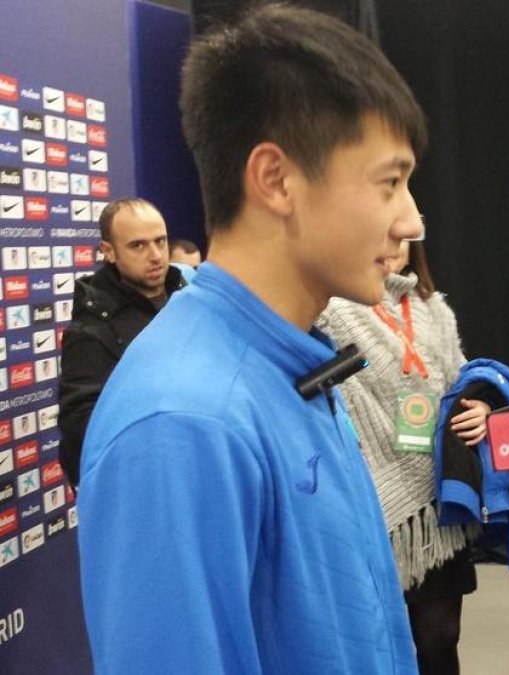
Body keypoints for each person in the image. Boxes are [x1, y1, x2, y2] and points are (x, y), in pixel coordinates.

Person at [77, 6, 427, 672]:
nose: (411, 220)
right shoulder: (182, 420)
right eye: (390, 182)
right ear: (275, 179)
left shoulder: (293, 363)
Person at [316, 238, 487, 675]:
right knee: (376, 640)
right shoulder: (333, 309)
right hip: (372, 497)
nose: (389, 246)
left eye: (399, 238)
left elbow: (460, 379)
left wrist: (481, 409)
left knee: (441, 638)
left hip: (436, 500)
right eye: (378, 235)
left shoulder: (435, 309)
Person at [59, 198, 185, 487]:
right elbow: (82, 426)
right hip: (141, 484)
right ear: (108, 252)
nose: (155, 255)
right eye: (138, 245)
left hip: (191, 469)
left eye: (160, 241)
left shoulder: (188, 299)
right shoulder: (90, 330)